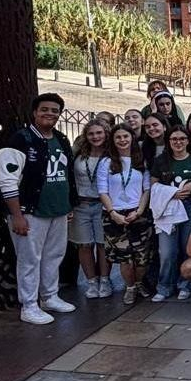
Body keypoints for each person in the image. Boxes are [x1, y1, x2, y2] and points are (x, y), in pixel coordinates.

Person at [0, 93, 77, 326]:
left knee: (54, 256)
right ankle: (29, 305)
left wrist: (68, 204)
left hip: (57, 210)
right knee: (29, 259)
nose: (49, 114)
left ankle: (50, 296)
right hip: (31, 211)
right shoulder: (20, 140)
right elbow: (7, 180)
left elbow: (66, 174)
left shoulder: (61, 139)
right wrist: (17, 215)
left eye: (55, 110)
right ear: (35, 112)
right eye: (45, 109)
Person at [151, 126, 191, 301]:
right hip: (167, 209)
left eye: (182, 139)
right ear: (168, 141)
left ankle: (186, 284)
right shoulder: (161, 161)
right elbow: (153, 185)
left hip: (190, 207)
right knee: (167, 251)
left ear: (188, 141)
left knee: (188, 247)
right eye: (174, 139)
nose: (178, 142)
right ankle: (164, 286)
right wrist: (170, 193)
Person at [97, 125, 152, 304]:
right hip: (114, 214)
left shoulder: (140, 160)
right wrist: (113, 213)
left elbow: (147, 189)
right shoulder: (106, 162)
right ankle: (130, 287)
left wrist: (139, 211)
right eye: (118, 137)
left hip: (138, 212)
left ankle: (139, 283)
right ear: (113, 140)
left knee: (142, 257)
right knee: (125, 257)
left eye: (125, 136)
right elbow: (102, 191)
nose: (122, 140)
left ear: (132, 138)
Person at [71, 119, 113, 299]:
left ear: (106, 134)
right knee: (84, 245)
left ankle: (105, 280)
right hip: (81, 205)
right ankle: (91, 281)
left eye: (99, 133)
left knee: (103, 245)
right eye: (91, 134)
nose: (95, 137)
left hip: (103, 205)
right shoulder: (78, 154)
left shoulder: (112, 155)